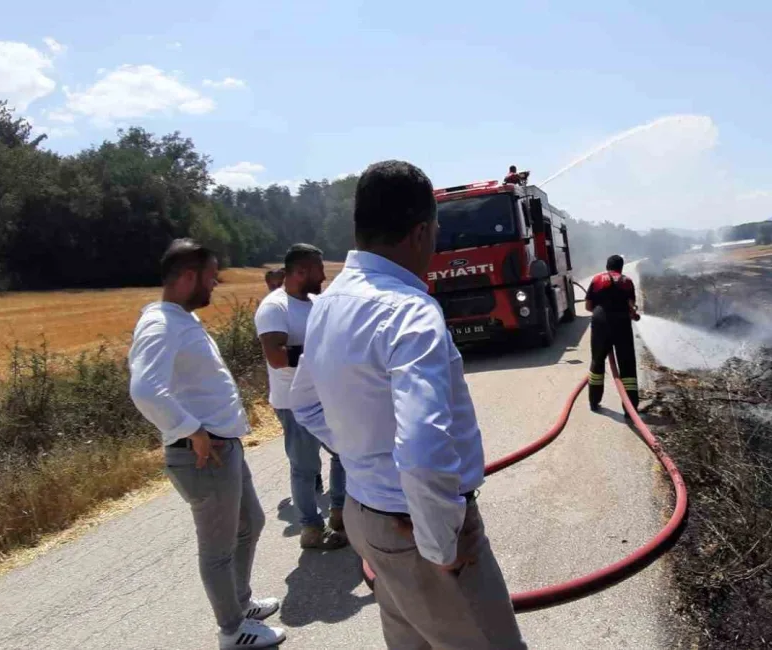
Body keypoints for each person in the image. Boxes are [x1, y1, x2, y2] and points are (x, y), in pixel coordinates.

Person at [289, 160, 526, 650]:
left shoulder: (329, 304)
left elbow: (305, 405)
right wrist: (441, 545)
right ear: (422, 232)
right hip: (418, 529)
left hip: (366, 516)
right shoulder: (409, 312)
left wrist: (362, 453)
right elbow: (421, 450)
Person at [128, 239, 285, 650]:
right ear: (187, 276)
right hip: (203, 454)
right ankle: (233, 630)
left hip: (222, 448)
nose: (216, 283)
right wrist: (191, 430)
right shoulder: (161, 324)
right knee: (217, 549)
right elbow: (145, 388)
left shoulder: (180, 319)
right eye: (211, 275)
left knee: (250, 523)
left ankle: (241, 602)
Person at [254, 243, 348, 550]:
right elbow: (276, 357)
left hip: (326, 397)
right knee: (305, 467)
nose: (324, 275)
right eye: (319, 269)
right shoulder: (275, 307)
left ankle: (340, 516)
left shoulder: (316, 302)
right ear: (301, 271)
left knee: (344, 454)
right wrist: (320, 353)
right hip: (293, 402)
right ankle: (311, 529)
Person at [585, 254, 642, 414]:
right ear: (621, 267)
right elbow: (632, 307)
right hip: (621, 322)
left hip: (600, 322)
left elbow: (588, 306)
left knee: (597, 361)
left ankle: (594, 402)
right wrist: (632, 314)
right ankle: (631, 408)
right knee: (627, 364)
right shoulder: (627, 281)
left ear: (607, 266)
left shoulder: (596, 280)